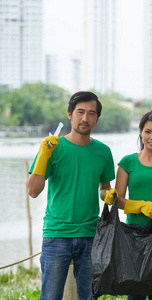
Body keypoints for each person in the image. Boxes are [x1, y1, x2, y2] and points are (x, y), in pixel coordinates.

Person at [26, 91, 116, 300]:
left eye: (91, 114)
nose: (85, 118)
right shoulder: (52, 147)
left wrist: (108, 195)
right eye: (80, 112)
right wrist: (42, 156)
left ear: (97, 118)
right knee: (50, 296)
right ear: (69, 114)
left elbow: (104, 188)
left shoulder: (103, 152)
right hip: (57, 234)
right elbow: (32, 190)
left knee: (89, 296)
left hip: (90, 234)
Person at [104, 109, 152, 300]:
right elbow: (119, 200)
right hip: (134, 236)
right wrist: (142, 206)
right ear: (140, 132)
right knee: (135, 293)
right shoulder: (127, 162)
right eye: (148, 131)